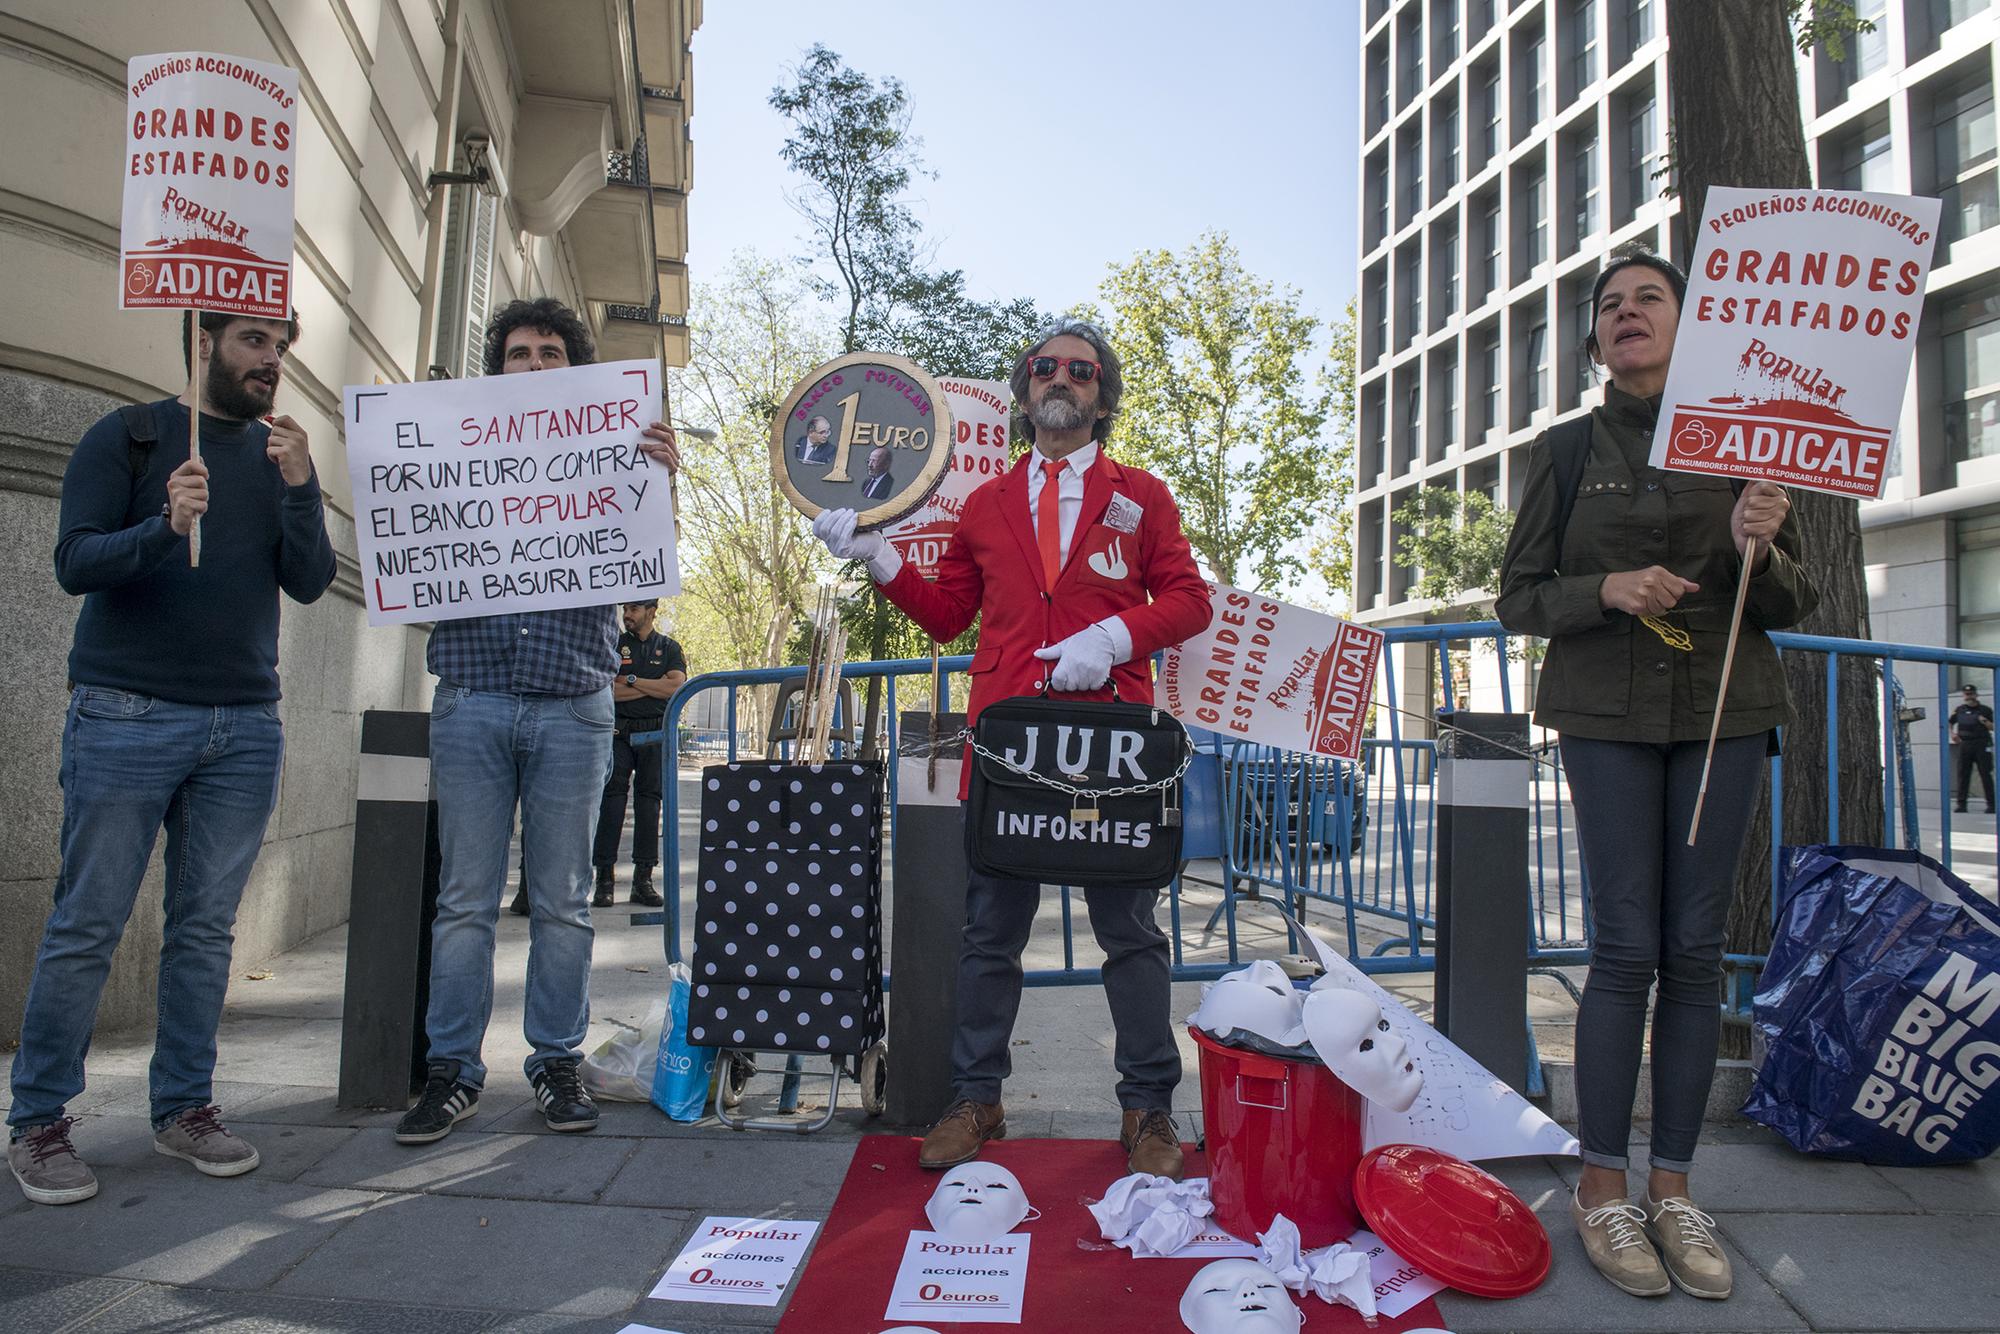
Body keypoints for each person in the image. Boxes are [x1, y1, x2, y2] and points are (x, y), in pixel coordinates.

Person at [813, 318, 1212, 1178]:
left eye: (1079, 368)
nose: (1059, 378)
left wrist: (1110, 637)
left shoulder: (1142, 494)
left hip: (1110, 743)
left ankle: (1148, 1108)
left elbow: (1188, 602)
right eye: (1043, 368)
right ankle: (977, 1097)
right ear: (1023, 389)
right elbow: (945, 612)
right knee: (989, 932)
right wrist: (878, 554)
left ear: (1102, 394)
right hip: (1006, 742)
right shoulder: (988, 501)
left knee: (1131, 934)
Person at [1497, 247, 1818, 1302]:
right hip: (1602, 715)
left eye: (1648, 298)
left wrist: (1759, 547)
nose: (1627, 313)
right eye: (1608, 306)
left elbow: (1790, 601)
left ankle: (1673, 1185)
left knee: (1691, 948)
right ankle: (1600, 1185)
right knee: (1624, 942)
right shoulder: (1560, 448)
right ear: (1593, 339)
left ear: (1687, 324)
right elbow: (1519, 596)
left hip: (1725, 714)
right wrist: (1606, 587)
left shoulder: (1746, 442)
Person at [9, 309, 335, 1206]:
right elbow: (74, 562)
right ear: (203, 344)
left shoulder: (278, 458)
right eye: (253, 342)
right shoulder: (131, 435)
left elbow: (309, 580)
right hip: (126, 715)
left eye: (280, 346)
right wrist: (163, 523)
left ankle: (184, 1107)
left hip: (243, 725)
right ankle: (38, 1122)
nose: (272, 360)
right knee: (89, 922)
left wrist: (303, 487)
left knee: (203, 930)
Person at [395, 297, 678, 1145]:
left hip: (573, 706)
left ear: (576, 369)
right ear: (499, 369)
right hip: (472, 697)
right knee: (464, 903)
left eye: (551, 352)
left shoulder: (616, 450)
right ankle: (452, 1071)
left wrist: (657, 479)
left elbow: (646, 567)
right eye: (518, 353)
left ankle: (555, 1061)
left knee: (565, 901)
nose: (533, 365)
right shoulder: (454, 446)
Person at [592, 599, 688, 907]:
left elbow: (676, 687)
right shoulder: (615, 645)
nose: (627, 615)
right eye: (625, 610)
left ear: (651, 611)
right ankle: (604, 879)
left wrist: (631, 680)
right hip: (618, 730)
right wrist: (652, 686)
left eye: (634, 609)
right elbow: (608, 689)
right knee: (612, 802)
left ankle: (643, 879)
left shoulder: (669, 647)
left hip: (654, 731)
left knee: (650, 804)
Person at [1951, 683, 1994, 814]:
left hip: (1982, 744)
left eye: (1971, 694)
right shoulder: (1960, 710)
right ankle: (1961, 805)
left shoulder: (1985, 710)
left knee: (1985, 774)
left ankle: (1992, 805)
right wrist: (1952, 734)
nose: (1969, 696)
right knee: (1963, 775)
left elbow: (1992, 727)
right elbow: (1950, 722)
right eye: (1966, 694)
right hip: (1965, 744)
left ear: (1976, 695)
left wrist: (1984, 721)